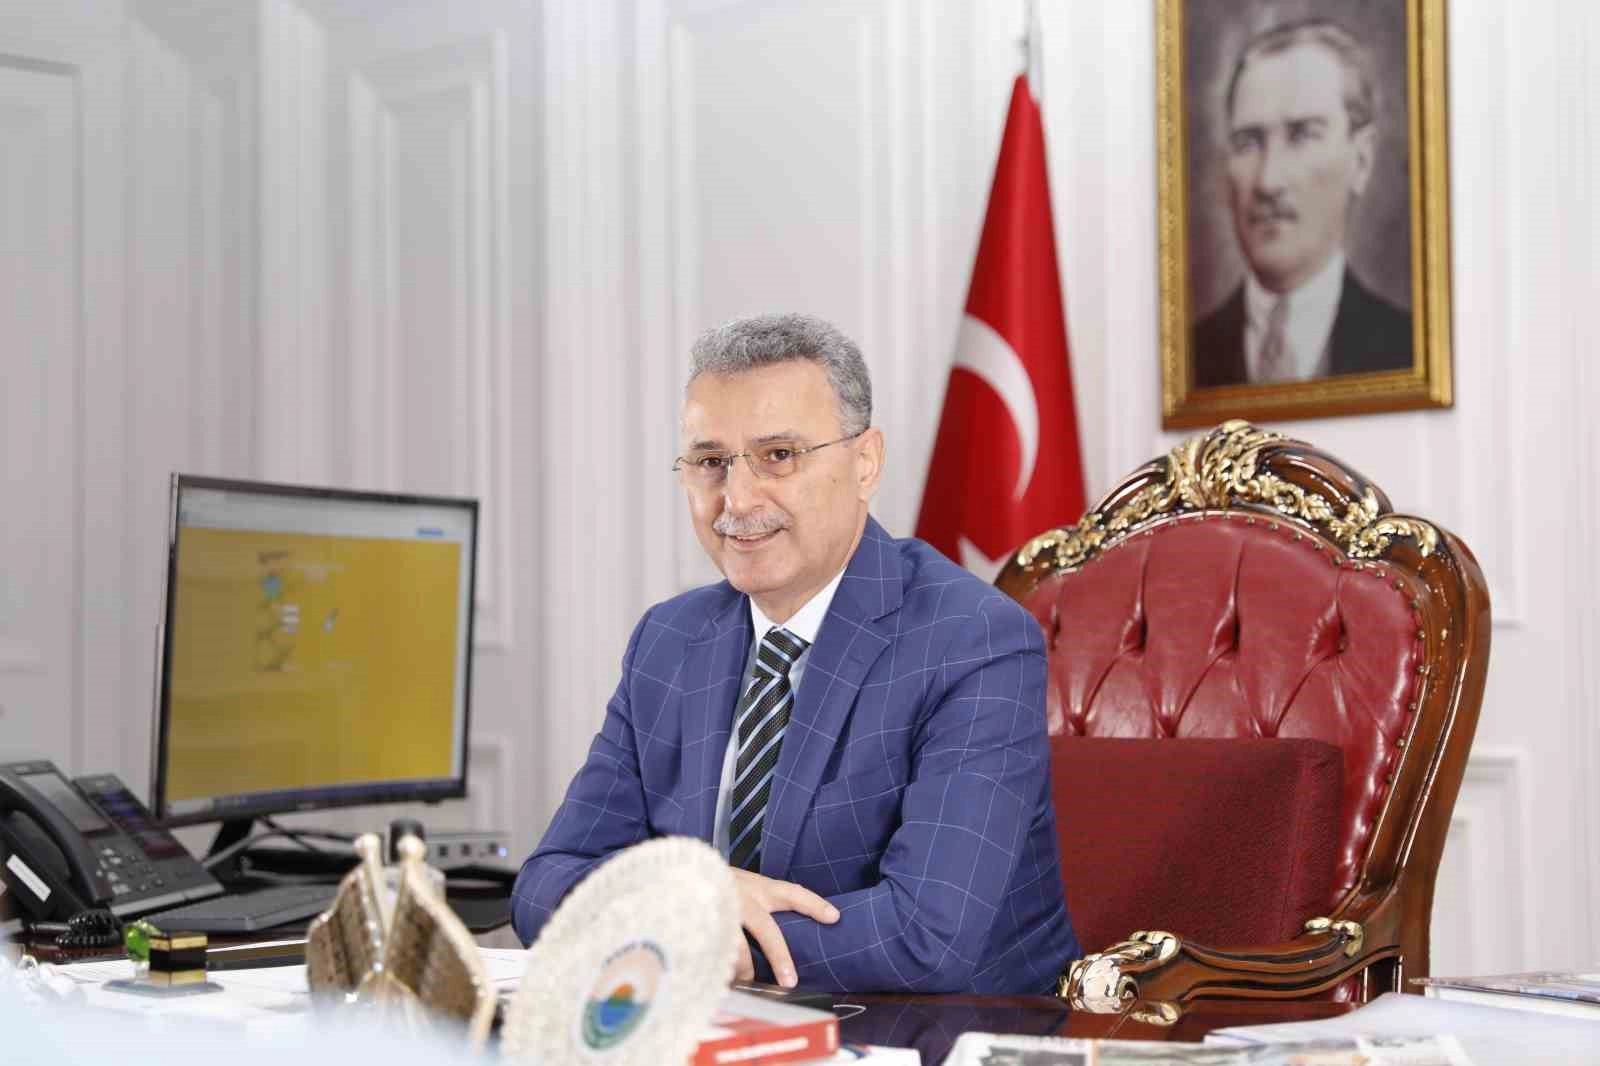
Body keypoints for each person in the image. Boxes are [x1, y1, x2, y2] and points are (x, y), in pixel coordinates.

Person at [511, 313, 1078, 994]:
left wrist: (693, 928)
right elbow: (543, 885)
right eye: (710, 462)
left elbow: (926, 935)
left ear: (865, 464)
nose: (737, 498)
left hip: (933, 1031)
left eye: (778, 455)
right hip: (708, 1025)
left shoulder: (973, 639)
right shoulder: (668, 641)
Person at [1192, 19, 1412, 388]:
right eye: (1248, 142)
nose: (1268, 181)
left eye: (1303, 135)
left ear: (1361, 160)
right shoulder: (1189, 358)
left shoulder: (1406, 348)